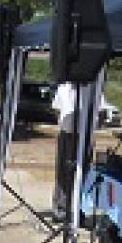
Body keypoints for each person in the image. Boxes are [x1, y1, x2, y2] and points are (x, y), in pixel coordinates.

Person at [52, 81, 76, 219]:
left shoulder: (92, 86)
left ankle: (77, 209)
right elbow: (57, 107)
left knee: (80, 172)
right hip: (67, 132)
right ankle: (60, 208)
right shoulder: (64, 86)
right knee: (63, 171)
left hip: (85, 133)